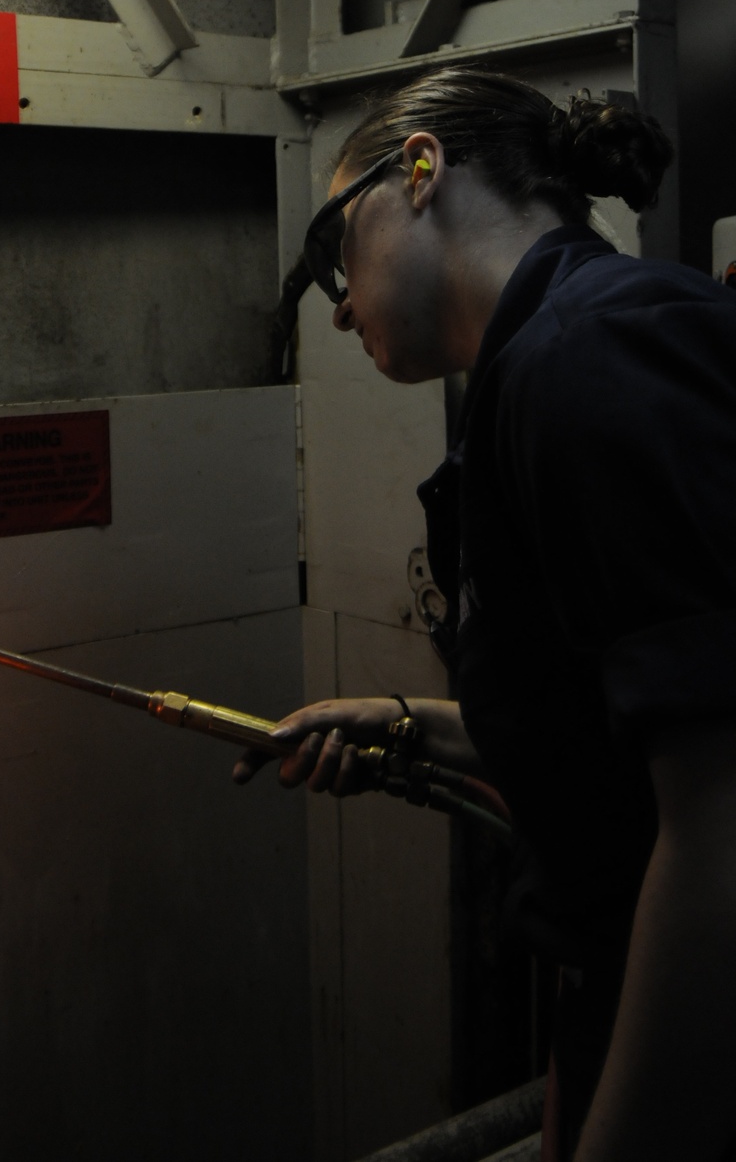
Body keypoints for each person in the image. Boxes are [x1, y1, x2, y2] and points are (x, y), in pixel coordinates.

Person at [234, 68, 736, 1162]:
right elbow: (627, 736)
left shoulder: (594, 355)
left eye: (332, 248)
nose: (333, 300)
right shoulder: (545, 368)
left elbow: (719, 818)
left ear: (420, 173)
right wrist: (418, 722)